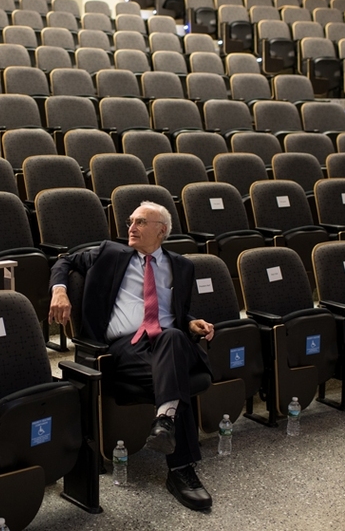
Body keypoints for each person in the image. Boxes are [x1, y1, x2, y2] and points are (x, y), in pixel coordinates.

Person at [48, 201, 215, 511]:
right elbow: (64, 261)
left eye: (141, 222)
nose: (131, 227)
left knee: (175, 336)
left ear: (161, 231)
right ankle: (181, 470)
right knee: (174, 365)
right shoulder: (110, 253)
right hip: (125, 348)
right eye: (131, 221)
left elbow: (178, 312)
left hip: (168, 344)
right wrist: (59, 290)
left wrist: (191, 322)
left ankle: (165, 421)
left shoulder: (182, 266)